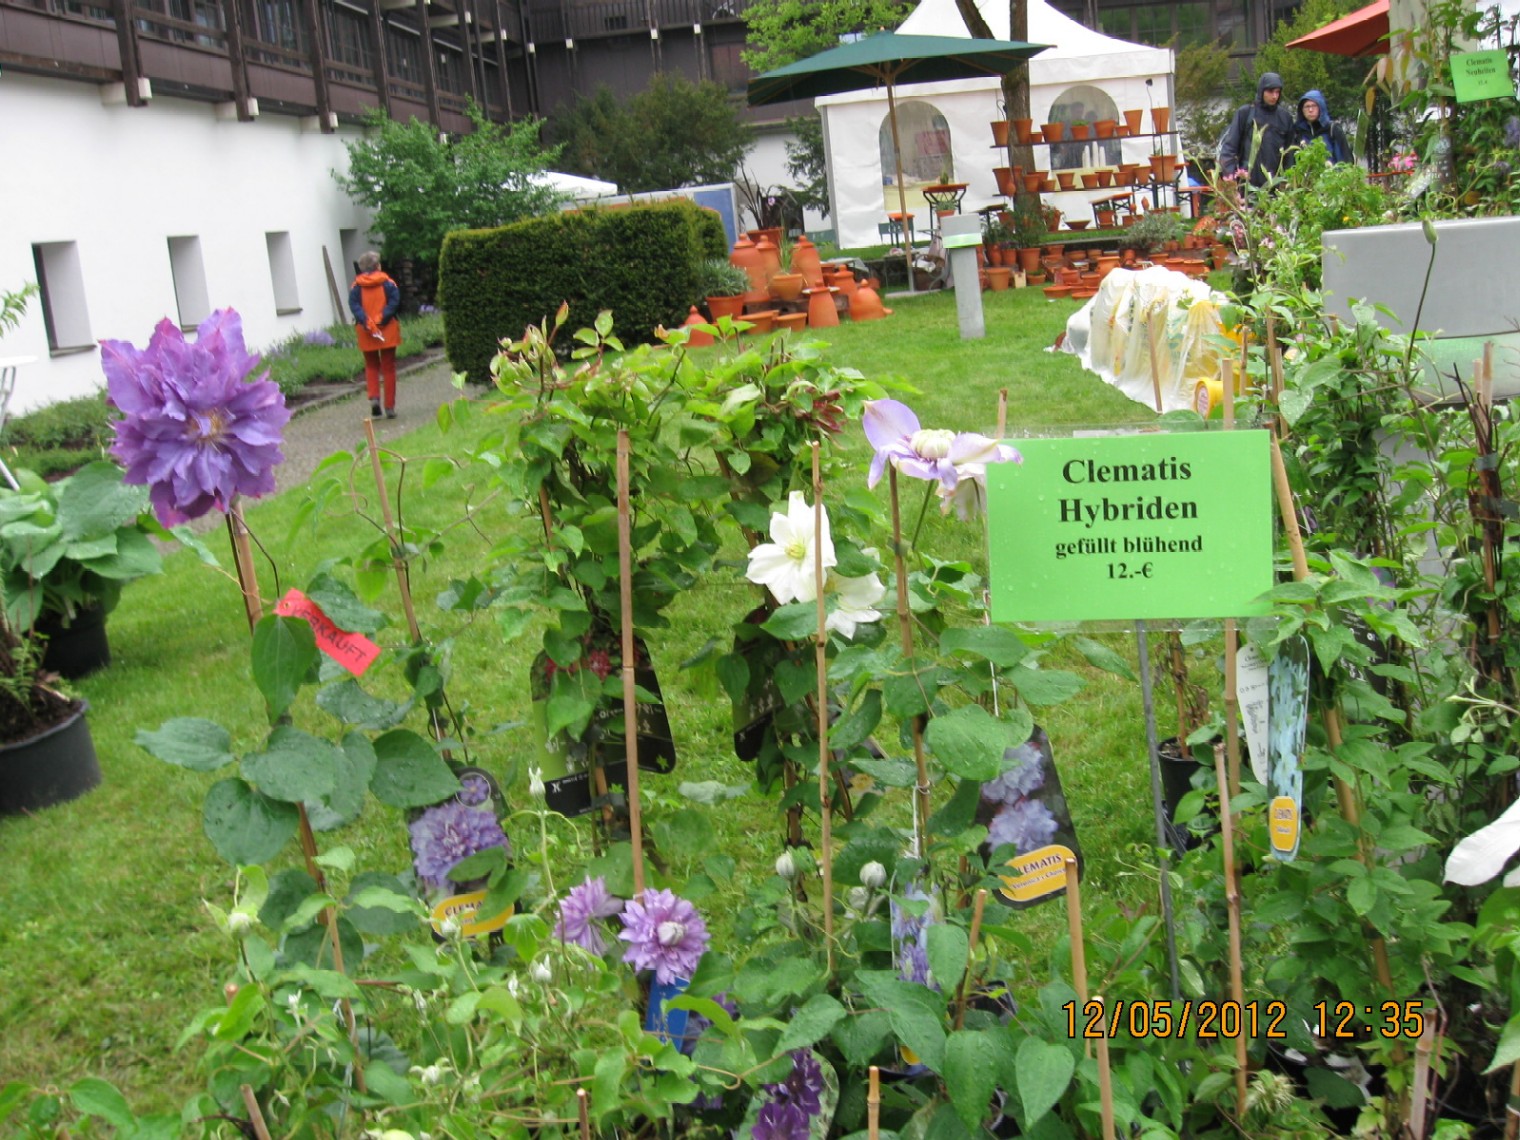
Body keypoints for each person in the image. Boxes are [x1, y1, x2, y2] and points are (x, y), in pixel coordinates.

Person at [1218, 72, 1296, 188]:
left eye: (1277, 92)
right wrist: (1230, 179)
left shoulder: (1285, 118)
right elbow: (1229, 147)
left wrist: (1287, 181)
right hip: (1247, 184)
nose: (1274, 96)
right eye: (1270, 92)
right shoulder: (1246, 113)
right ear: (1262, 91)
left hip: (1275, 185)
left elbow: (1289, 154)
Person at [348, 251, 401, 419]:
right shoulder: (388, 283)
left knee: (371, 365)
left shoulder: (356, 286)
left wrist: (367, 322)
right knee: (388, 367)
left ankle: (374, 398)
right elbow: (394, 302)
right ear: (378, 266)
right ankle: (390, 406)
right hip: (387, 330)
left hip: (366, 331)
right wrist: (382, 318)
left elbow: (354, 306)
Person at [1293, 90, 1352, 165]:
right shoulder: (1298, 132)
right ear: (1302, 110)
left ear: (1321, 107)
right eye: (1307, 106)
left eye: (1314, 106)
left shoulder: (1332, 129)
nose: (1310, 110)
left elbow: (1345, 160)